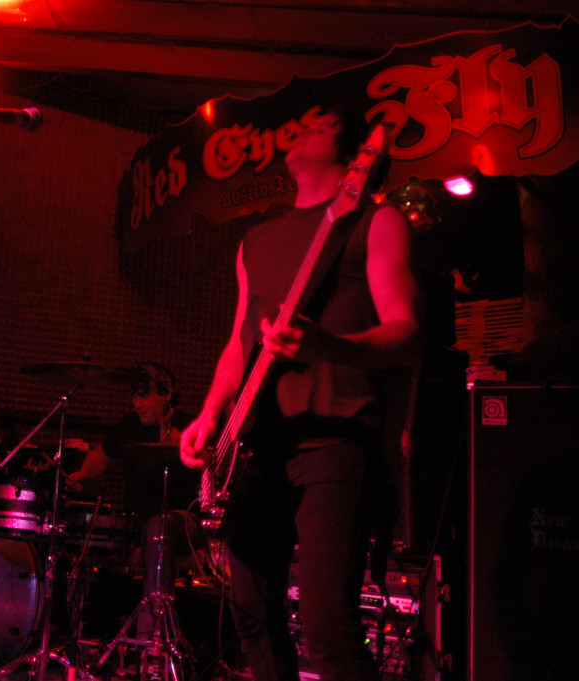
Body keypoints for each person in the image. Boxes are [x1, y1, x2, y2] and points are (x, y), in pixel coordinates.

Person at [179, 105, 421, 681]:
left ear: (357, 155)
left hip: (335, 441)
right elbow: (240, 343)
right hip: (256, 447)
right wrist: (210, 414)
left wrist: (328, 346)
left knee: (328, 626)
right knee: (251, 616)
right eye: (304, 121)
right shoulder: (255, 240)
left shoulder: (376, 222)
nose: (307, 126)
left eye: (325, 124)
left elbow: (408, 334)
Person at [66, 362, 202, 638]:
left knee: (159, 526)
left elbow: (215, 463)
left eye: (144, 396)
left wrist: (186, 447)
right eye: (134, 396)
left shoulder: (189, 425)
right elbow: (102, 456)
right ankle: (89, 633)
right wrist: (83, 473)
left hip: (183, 521)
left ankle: (152, 633)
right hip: (136, 521)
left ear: (166, 394)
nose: (137, 404)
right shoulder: (128, 425)